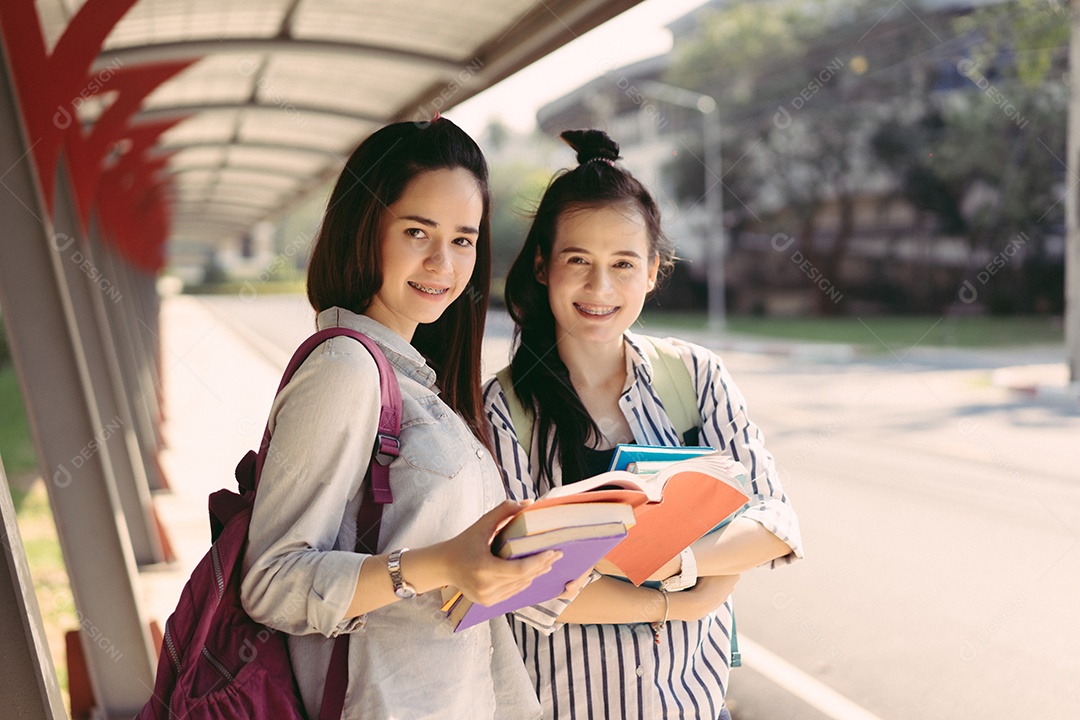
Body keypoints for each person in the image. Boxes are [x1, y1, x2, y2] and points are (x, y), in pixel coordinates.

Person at [483, 129, 804, 720]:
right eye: (577, 260)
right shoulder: (504, 409)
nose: (600, 288)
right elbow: (524, 589)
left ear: (653, 271)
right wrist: (681, 601)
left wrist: (667, 563)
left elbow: (773, 522)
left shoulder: (695, 375)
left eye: (623, 264)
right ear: (542, 266)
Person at [241, 118, 555, 720]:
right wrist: (440, 565)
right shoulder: (346, 369)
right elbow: (271, 581)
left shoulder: (416, 378)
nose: (443, 261)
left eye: (464, 240)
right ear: (366, 229)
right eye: (418, 231)